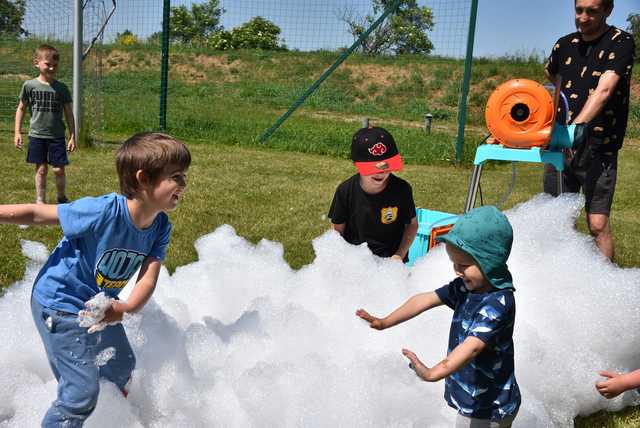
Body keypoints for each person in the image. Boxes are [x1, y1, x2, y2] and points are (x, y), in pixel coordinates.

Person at [0, 132, 190, 427]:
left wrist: (125, 309)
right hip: (58, 302)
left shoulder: (160, 227)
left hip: (94, 306)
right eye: (176, 176)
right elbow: (40, 214)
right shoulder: (104, 211)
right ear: (143, 179)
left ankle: (109, 419)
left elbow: (147, 278)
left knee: (121, 365)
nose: (184, 184)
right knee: (80, 393)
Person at [357, 206, 520, 427]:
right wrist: (385, 321)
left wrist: (433, 373)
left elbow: (472, 347)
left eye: (463, 265)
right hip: (472, 394)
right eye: (454, 263)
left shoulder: (497, 303)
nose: (457, 271)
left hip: (490, 405)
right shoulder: (467, 287)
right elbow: (425, 299)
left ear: (489, 261)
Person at [543, 0, 635, 261]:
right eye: (579, 10)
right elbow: (552, 76)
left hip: (599, 144)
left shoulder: (621, 42)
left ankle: (606, 286)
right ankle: (562, 278)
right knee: (557, 218)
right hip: (560, 144)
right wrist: (562, 125)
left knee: (596, 223)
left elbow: (605, 90)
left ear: (608, 10)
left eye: (592, 11)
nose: (583, 18)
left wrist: (577, 126)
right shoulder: (564, 44)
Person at [328, 126, 418, 261]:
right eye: (373, 168)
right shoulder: (345, 191)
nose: (381, 172)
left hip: (391, 261)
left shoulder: (402, 189)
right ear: (356, 164)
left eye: (387, 166)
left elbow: (412, 225)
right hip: (356, 260)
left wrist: (399, 254)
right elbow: (337, 232)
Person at [15, 44, 76, 204]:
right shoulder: (29, 86)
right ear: (36, 62)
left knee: (58, 170)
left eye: (55, 65)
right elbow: (21, 108)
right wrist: (17, 132)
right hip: (36, 135)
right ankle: (40, 201)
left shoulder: (62, 88)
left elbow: (69, 113)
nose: (51, 68)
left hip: (56, 136)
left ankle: (61, 198)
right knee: (41, 170)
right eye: (47, 64)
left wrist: (72, 136)